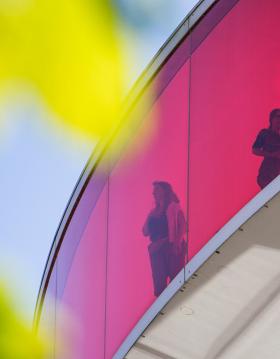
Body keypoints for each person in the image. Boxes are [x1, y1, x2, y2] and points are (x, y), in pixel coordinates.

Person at [143, 181, 187, 297]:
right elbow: (145, 231)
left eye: (157, 189)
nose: (154, 192)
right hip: (156, 250)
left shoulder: (173, 207)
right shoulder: (153, 213)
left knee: (176, 281)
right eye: (154, 190)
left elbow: (183, 225)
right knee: (159, 286)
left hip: (171, 247)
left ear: (164, 191)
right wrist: (151, 214)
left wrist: (177, 243)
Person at [252, 109, 280, 189]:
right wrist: (271, 154)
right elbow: (255, 150)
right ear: (272, 119)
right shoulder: (265, 133)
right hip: (267, 171)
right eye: (278, 116)